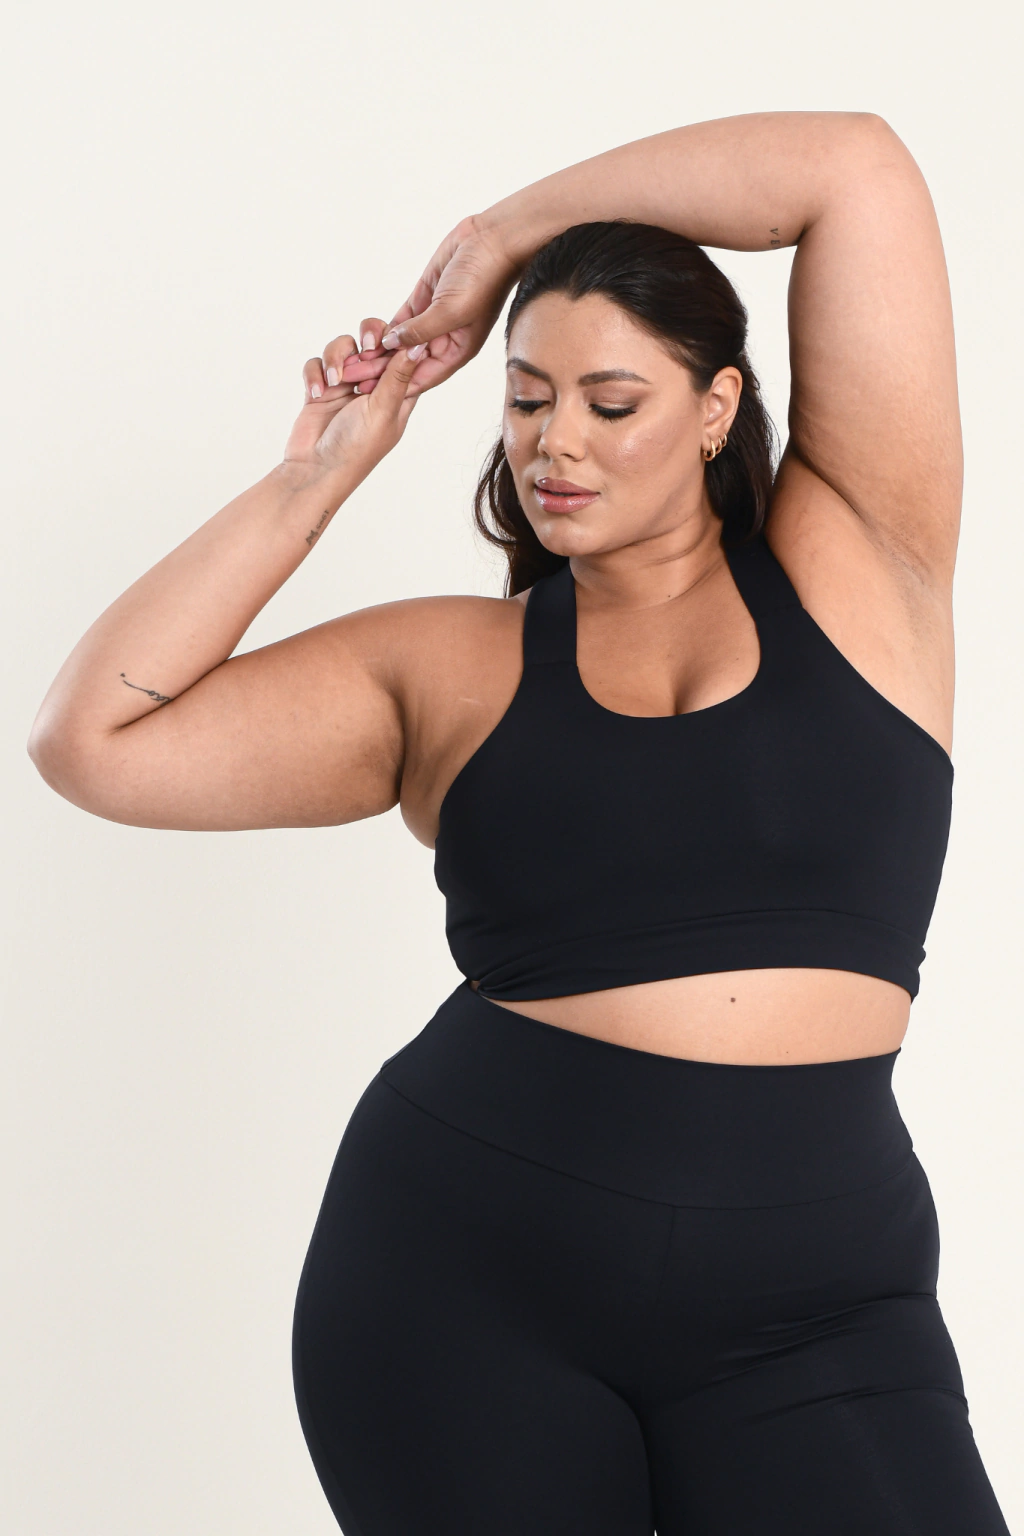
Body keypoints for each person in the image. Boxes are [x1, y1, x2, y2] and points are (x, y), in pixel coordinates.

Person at [27, 112, 1011, 1534]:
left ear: (717, 407)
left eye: (611, 403)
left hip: (819, 1314)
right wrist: (316, 476)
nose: (558, 443)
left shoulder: (862, 565)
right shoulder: (451, 666)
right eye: (528, 399)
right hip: (466, 1294)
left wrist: (501, 238)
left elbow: (852, 167)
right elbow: (94, 742)